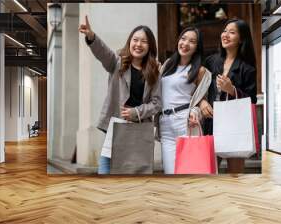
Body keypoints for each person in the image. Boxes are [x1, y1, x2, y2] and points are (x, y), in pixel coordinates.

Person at [79, 16, 162, 174]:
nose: (138, 44)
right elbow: (103, 52)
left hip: (140, 129)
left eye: (143, 41)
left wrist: (136, 112)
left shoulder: (155, 72)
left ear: (150, 45)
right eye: (135, 39)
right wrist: (91, 36)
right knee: (105, 170)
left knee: (137, 173)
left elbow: (157, 103)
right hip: (116, 127)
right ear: (129, 41)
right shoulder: (117, 63)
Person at [199, 18, 257, 173]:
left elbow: (252, 100)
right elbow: (198, 87)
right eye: (225, 31)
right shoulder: (211, 61)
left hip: (234, 125)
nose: (225, 35)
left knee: (235, 175)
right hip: (211, 122)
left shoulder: (247, 68)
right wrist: (202, 102)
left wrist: (232, 90)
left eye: (232, 32)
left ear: (241, 39)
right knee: (208, 172)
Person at [157, 27, 211, 174]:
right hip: (165, 123)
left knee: (188, 171)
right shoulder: (168, 64)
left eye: (192, 41)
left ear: (197, 47)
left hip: (185, 121)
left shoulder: (200, 71)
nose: (186, 43)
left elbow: (200, 98)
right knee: (170, 171)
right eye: (183, 38)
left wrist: (196, 111)